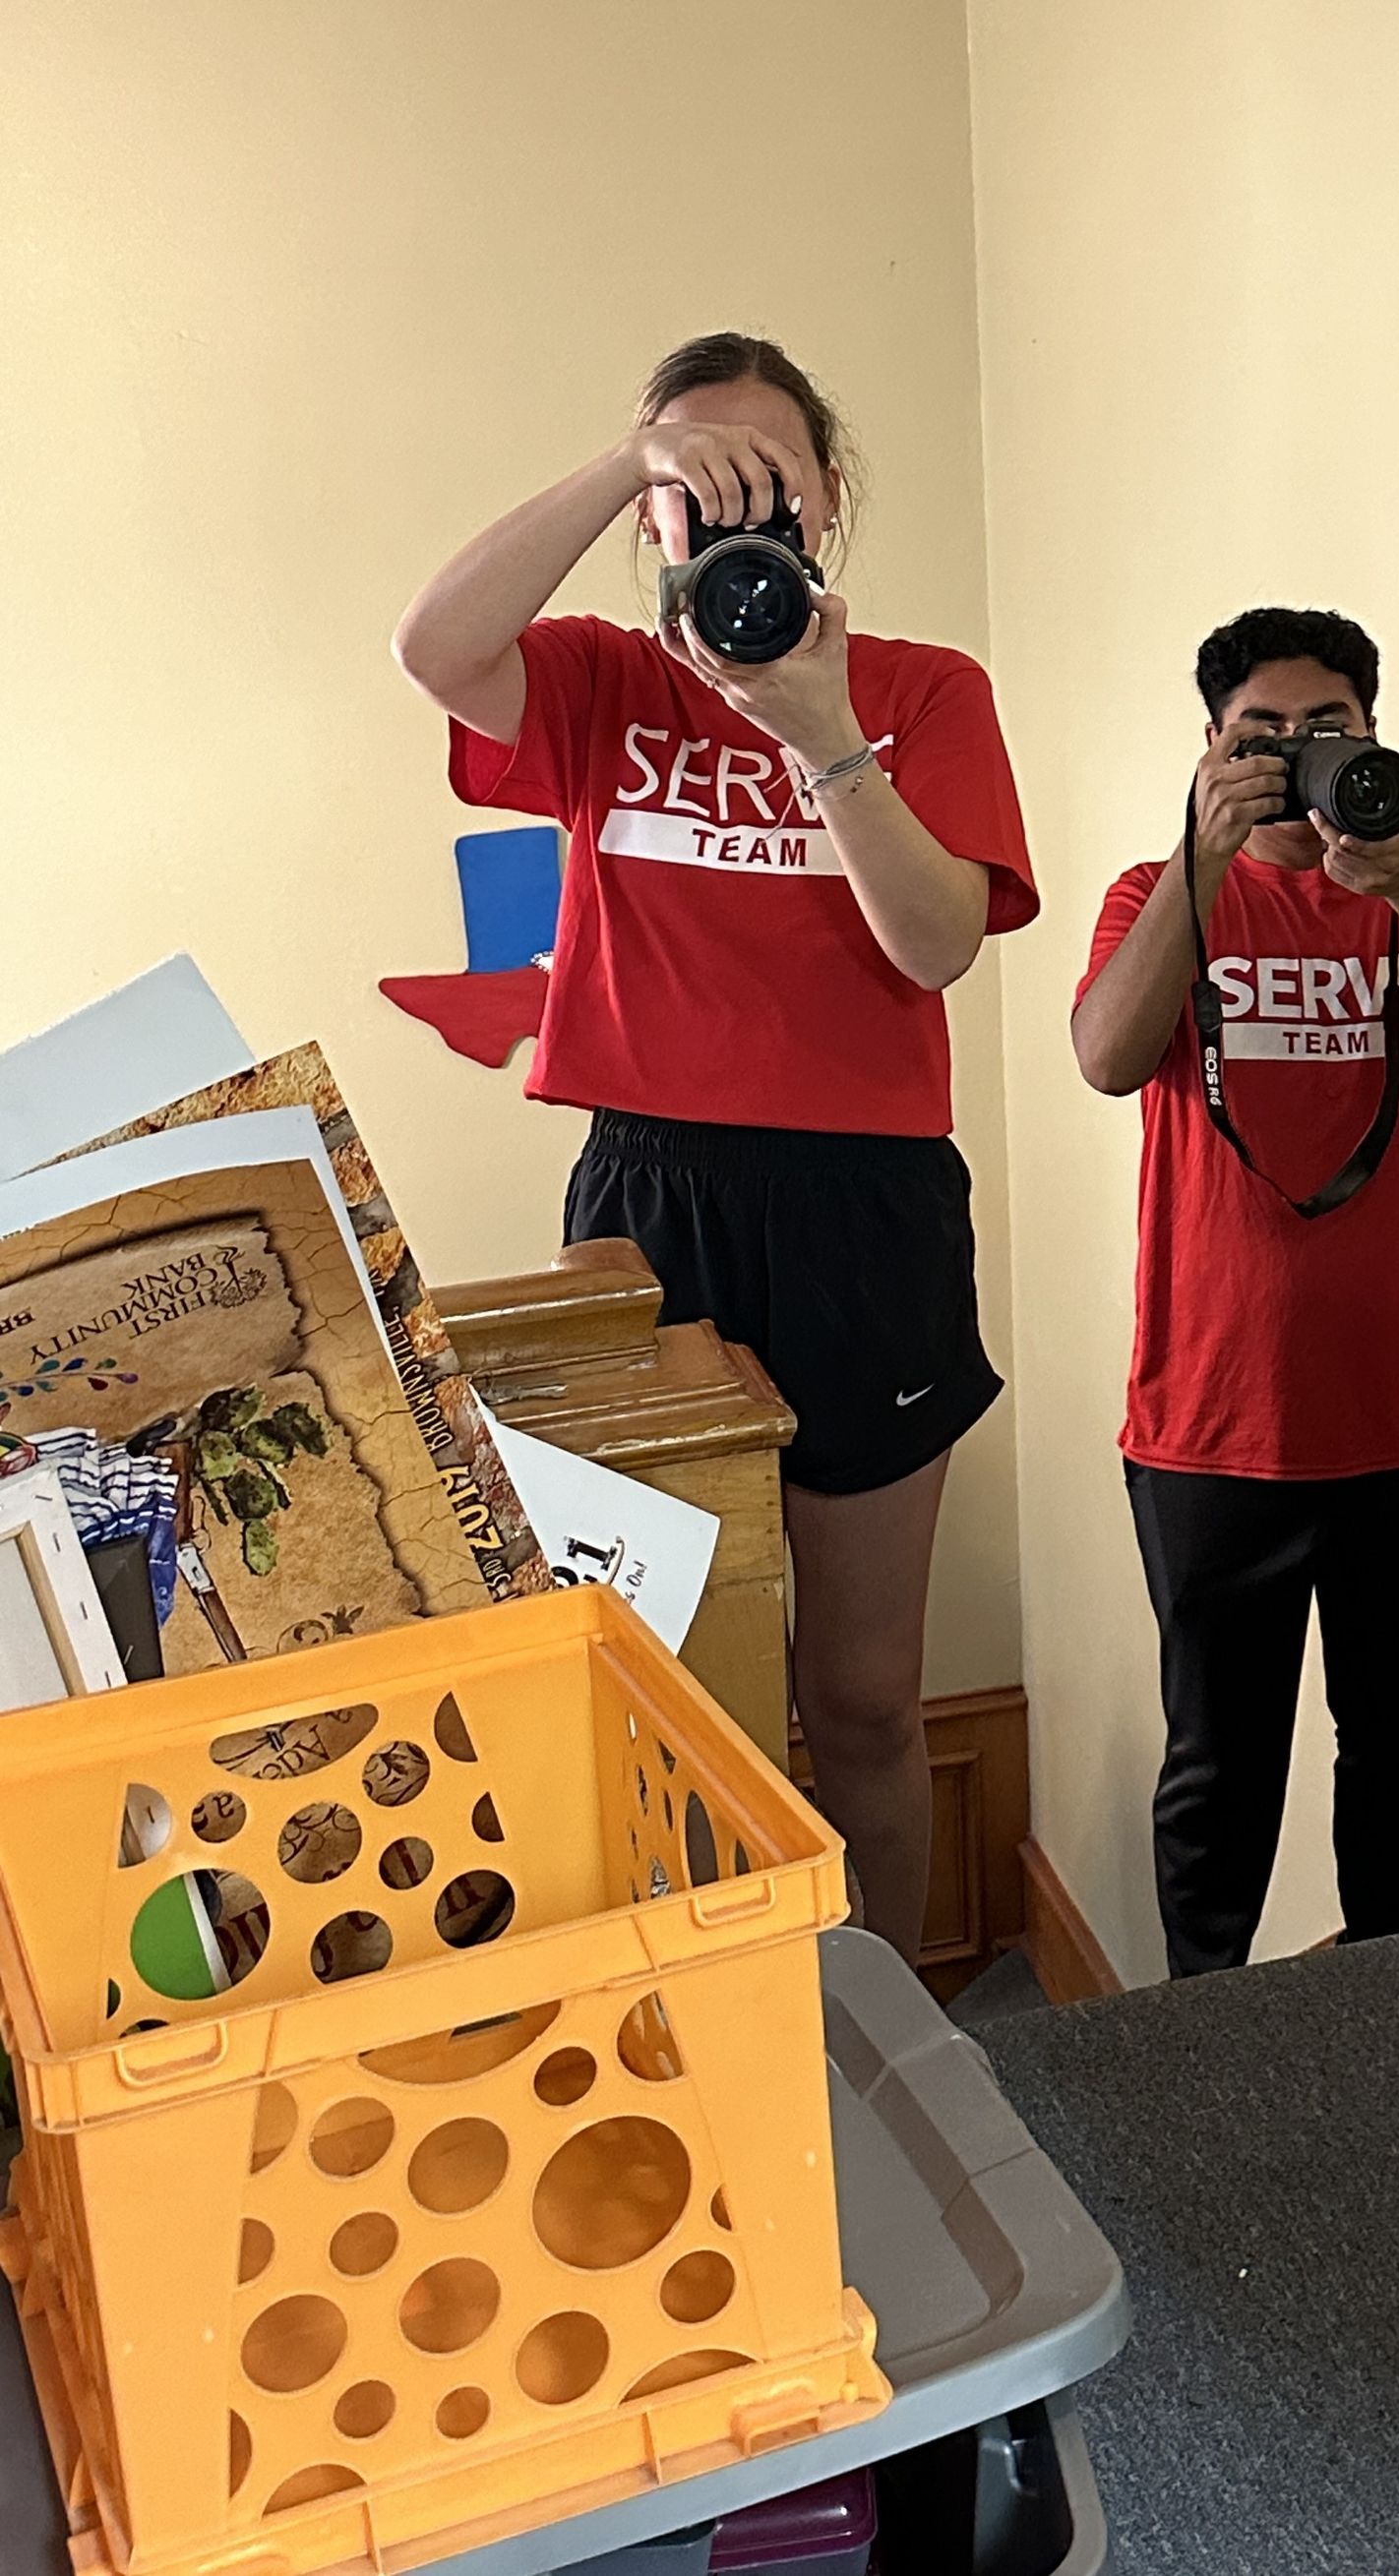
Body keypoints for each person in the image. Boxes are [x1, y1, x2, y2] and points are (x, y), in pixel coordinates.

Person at [395, 333, 1037, 1962]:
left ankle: (895, 2036)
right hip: (649, 1196)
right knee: (654, 1675)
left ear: (828, 499)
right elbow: (435, 645)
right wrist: (637, 459)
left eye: (775, 474)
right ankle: (699, 2018)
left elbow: (937, 946)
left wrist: (822, 732)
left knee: (867, 1698)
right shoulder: (608, 682)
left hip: (864, 1201)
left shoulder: (923, 692)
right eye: (708, 479)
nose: (745, 503)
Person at [1071, 606, 1399, 1976]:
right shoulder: (1159, 891)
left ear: (1377, 734)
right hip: (1213, 1426)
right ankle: (1198, 2052)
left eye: (1329, 732)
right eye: (1261, 738)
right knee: (1216, 1781)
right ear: (1211, 749)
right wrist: (1201, 850)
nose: (1296, 760)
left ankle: (1394, 2033)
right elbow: (1109, 1057)